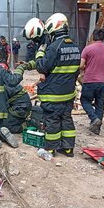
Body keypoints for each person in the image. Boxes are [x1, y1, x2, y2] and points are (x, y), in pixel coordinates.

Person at [35, 13, 81, 157]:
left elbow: (42, 67)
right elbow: (76, 71)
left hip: (54, 93)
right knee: (66, 118)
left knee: (53, 119)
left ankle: (51, 148)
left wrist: (40, 53)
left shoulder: (54, 47)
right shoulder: (75, 47)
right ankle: (68, 149)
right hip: (68, 93)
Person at [79, 28, 104, 135]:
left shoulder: (87, 49)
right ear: (103, 37)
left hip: (89, 80)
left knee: (85, 101)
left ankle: (94, 118)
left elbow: (81, 65)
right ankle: (96, 128)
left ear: (93, 37)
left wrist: (87, 67)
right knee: (100, 104)